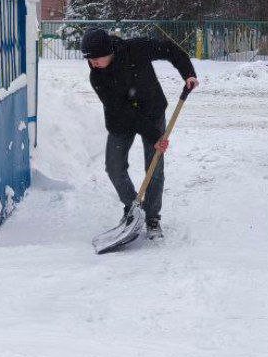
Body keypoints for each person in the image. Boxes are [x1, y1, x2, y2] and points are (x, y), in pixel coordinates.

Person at [82, 27, 199, 238]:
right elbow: (123, 111)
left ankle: (152, 217)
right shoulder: (97, 77)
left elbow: (169, 49)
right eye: (89, 60)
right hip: (121, 120)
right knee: (114, 167)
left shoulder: (136, 48)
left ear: (109, 51)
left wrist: (188, 73)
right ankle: (132, 208)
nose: (93, 64)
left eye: (96, 58)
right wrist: (156, 137)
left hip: (153, 111)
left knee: (154, 168)